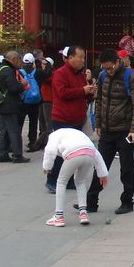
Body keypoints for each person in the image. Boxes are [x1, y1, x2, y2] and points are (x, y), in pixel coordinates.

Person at [81, 50, 134, 215]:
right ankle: (91, 202)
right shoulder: (103, 76)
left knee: (126, 167)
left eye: (110, 68)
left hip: (126, 131)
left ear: (118, 61)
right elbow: (99, 101)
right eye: (105, 68)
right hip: (107, 130)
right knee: (100, 166)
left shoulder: (131, 77)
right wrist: (99, 123)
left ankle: (127, 201)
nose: (108, 71)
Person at [45, 46, 96, 191]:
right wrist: (82, 90)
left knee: (74, 152)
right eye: (80, 57)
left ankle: (68, 180)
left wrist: (90, 92)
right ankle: (52, 180)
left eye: (83, 57)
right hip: (62, 118)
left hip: (77, 119)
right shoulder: (60, 73)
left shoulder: (80, 75)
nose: (83, 60)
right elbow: (62, 93)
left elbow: (82, 95)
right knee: (61, 152)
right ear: (70, 58)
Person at [43, 126, 109, 227]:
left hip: (73, 153)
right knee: (80, 181)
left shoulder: (53, 135)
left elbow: (50, 150)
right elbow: (97, 154)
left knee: (61, 182)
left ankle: (58, 216)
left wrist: (47, 166)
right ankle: (83, 213)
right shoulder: (77, 134)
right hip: (90, 153)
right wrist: (103, 174)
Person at [0, 50, 32, 164]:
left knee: (5, 131)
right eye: (19, 60)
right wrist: (23, 85)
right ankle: (17, 155)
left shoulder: (2, 69)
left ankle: (2, 154)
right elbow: (13, 88)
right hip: (10, 105)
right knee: (14, 131)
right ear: (13, 59)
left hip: (3, 104)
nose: (20, 63)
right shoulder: (8, 71)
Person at [19, 53, 41, 152]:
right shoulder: (37, 72)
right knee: (33, 123)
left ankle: (16, 143)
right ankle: (32, 143)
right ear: (33, 62)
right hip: (35, 101)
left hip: (24, 101)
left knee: (19, 123)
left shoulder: (20, 72)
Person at [33, 50, 55, 149]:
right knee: (42, 122)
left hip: (48, 100)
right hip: (42, 99)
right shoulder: (43, 73)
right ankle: (42, 141)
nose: (43, 65)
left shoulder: (51, 73)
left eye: (45, 64)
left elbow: (46, 78)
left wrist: (46, 69)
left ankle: (46, 142)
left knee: (48, 123)